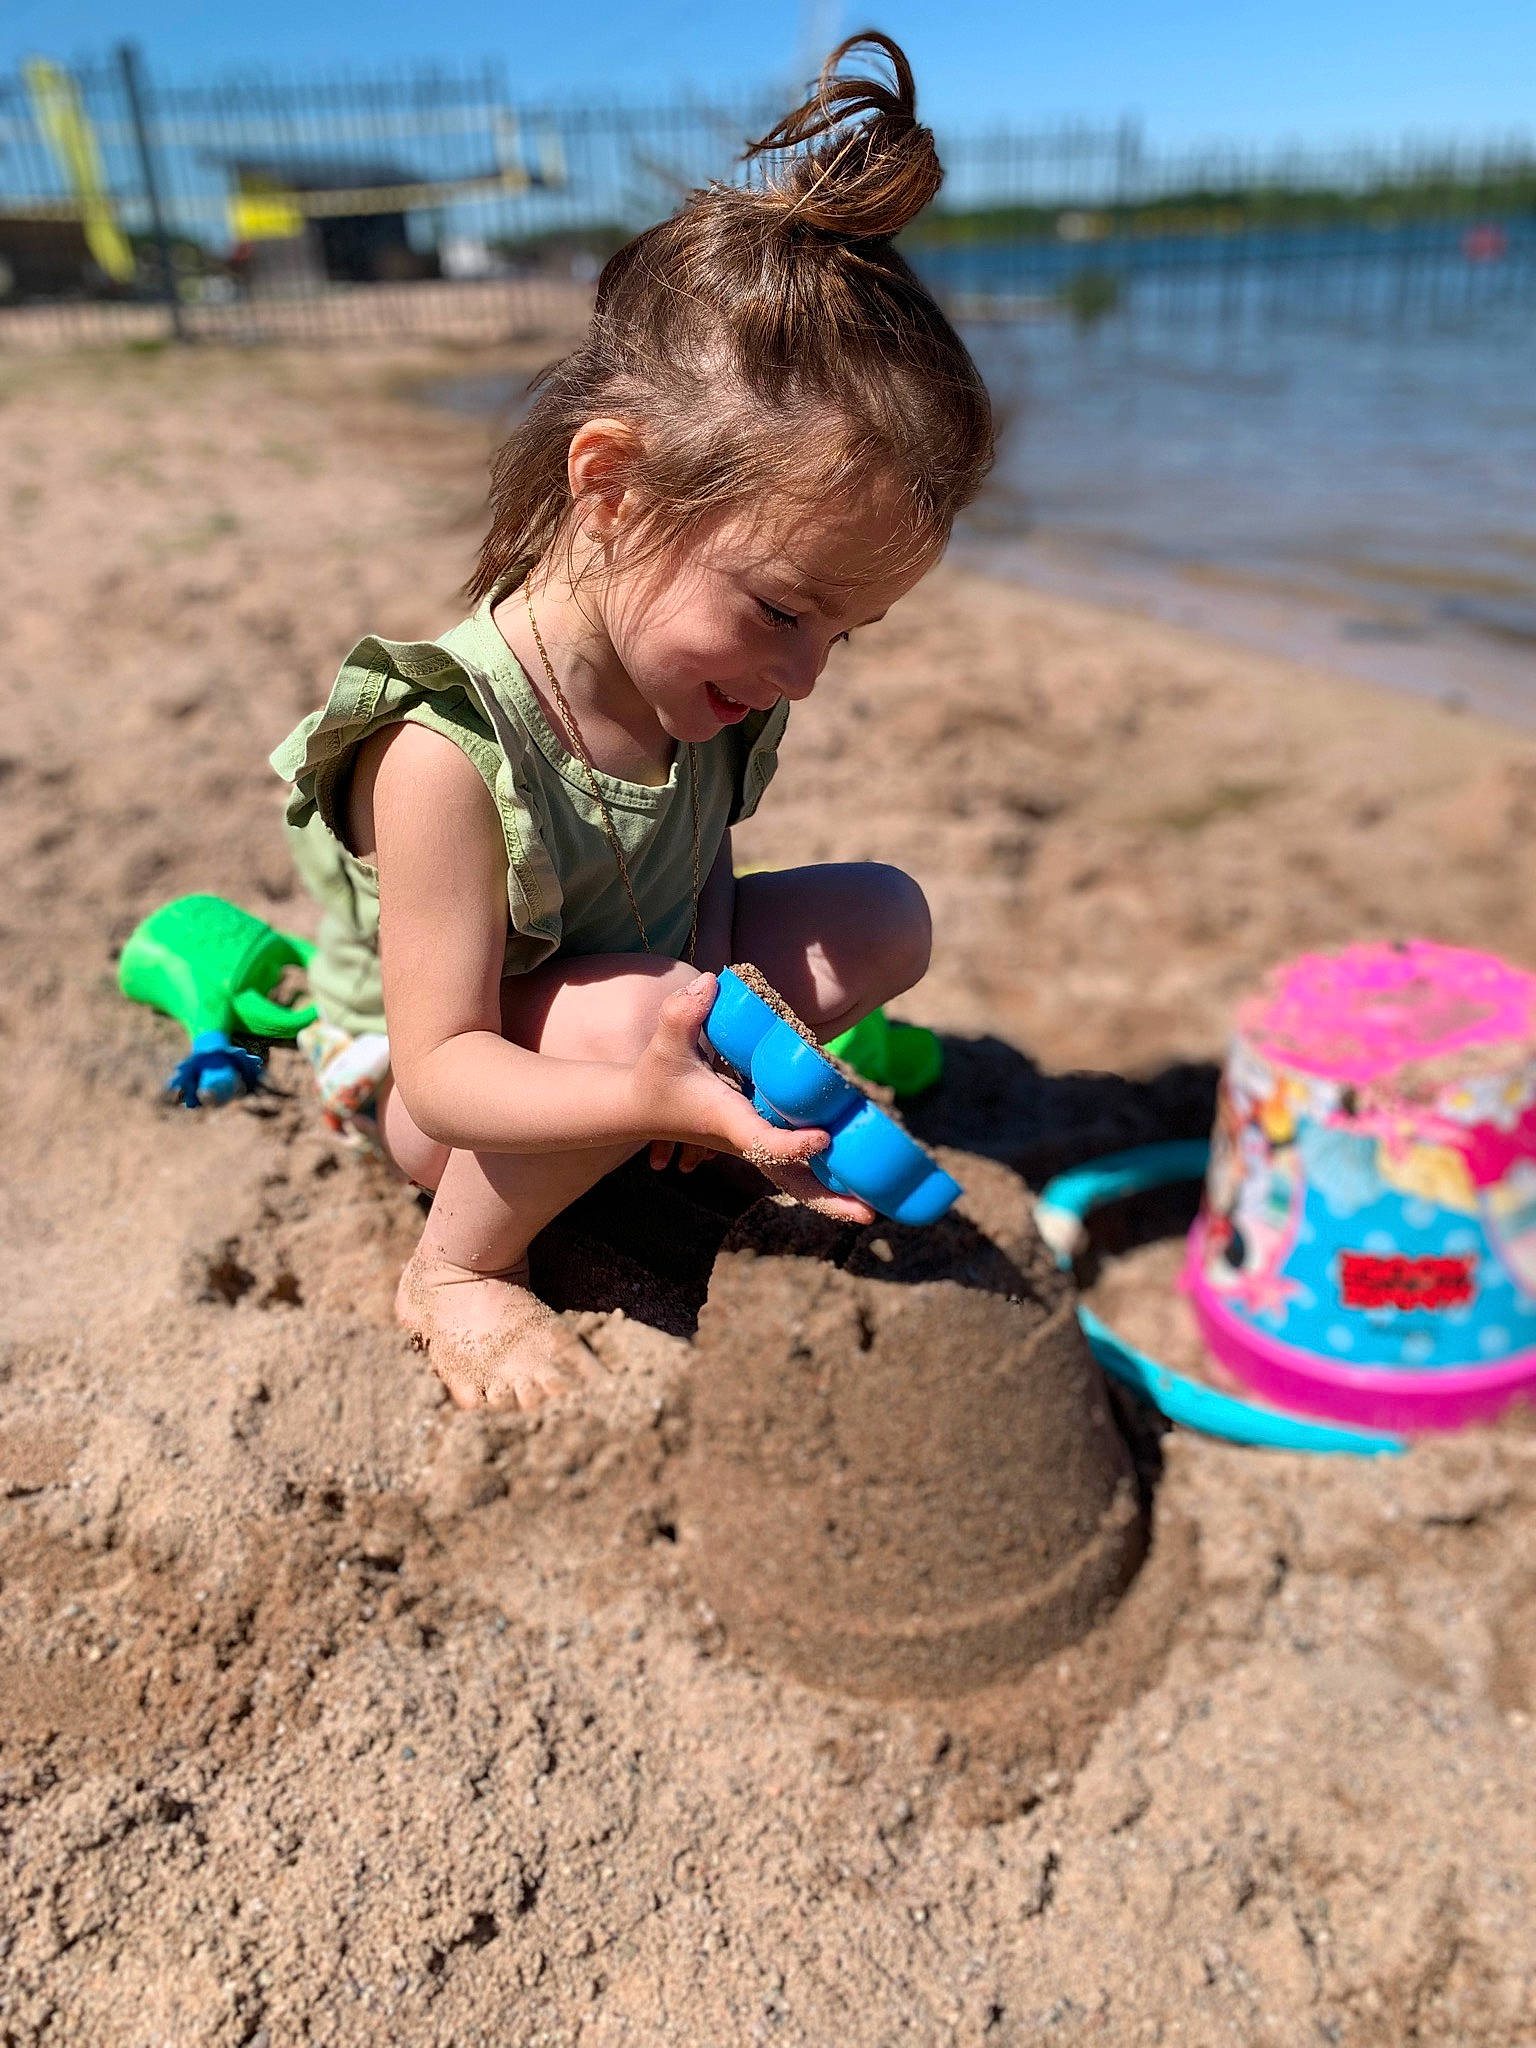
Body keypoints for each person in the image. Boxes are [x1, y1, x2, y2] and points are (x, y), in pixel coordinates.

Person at [271, 32, 994, 1411]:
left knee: (886, 912)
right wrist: (666, 1081)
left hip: (619, 1012)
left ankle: (641, 1096)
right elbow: (454, 1066)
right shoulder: (443, 750)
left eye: (845, 633)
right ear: (611, 485)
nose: (806, 673)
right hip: (442, 1089)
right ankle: (457, 1275)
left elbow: (700, 869)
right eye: (783, 608)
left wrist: (710, 1016)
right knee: (632, 1027)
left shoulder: (699, 688)